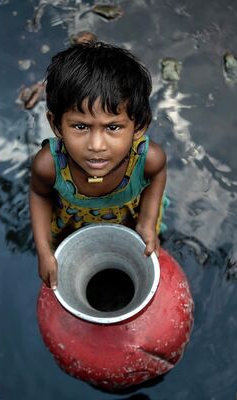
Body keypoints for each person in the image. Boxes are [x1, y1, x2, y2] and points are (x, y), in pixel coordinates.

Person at [29, 42, 167, 289]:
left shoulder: (148, 159)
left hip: (127, 220)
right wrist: (43, 251)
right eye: (80, 127)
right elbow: (39, 194)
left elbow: (157, 176)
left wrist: (147, 221)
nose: (96, 145)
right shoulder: (49, 165)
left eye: (113, 127)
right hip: (73, 225)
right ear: (56, 125)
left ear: (139, 126)